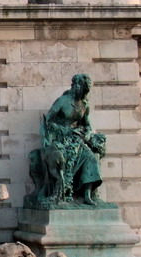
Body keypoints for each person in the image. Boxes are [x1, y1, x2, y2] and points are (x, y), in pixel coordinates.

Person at [41, 73, 107, 205]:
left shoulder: (84, 105)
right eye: (75, 84)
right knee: (63, 157)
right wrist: (61, 129)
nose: (76, 88)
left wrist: (88, 133)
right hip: (59, 138)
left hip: (76, 139)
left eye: (80, 86)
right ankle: (61, 192)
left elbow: (87, 124)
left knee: (90, 157)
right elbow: (48, 120)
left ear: (84, 89)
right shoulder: (63, 101)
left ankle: (88, 194)